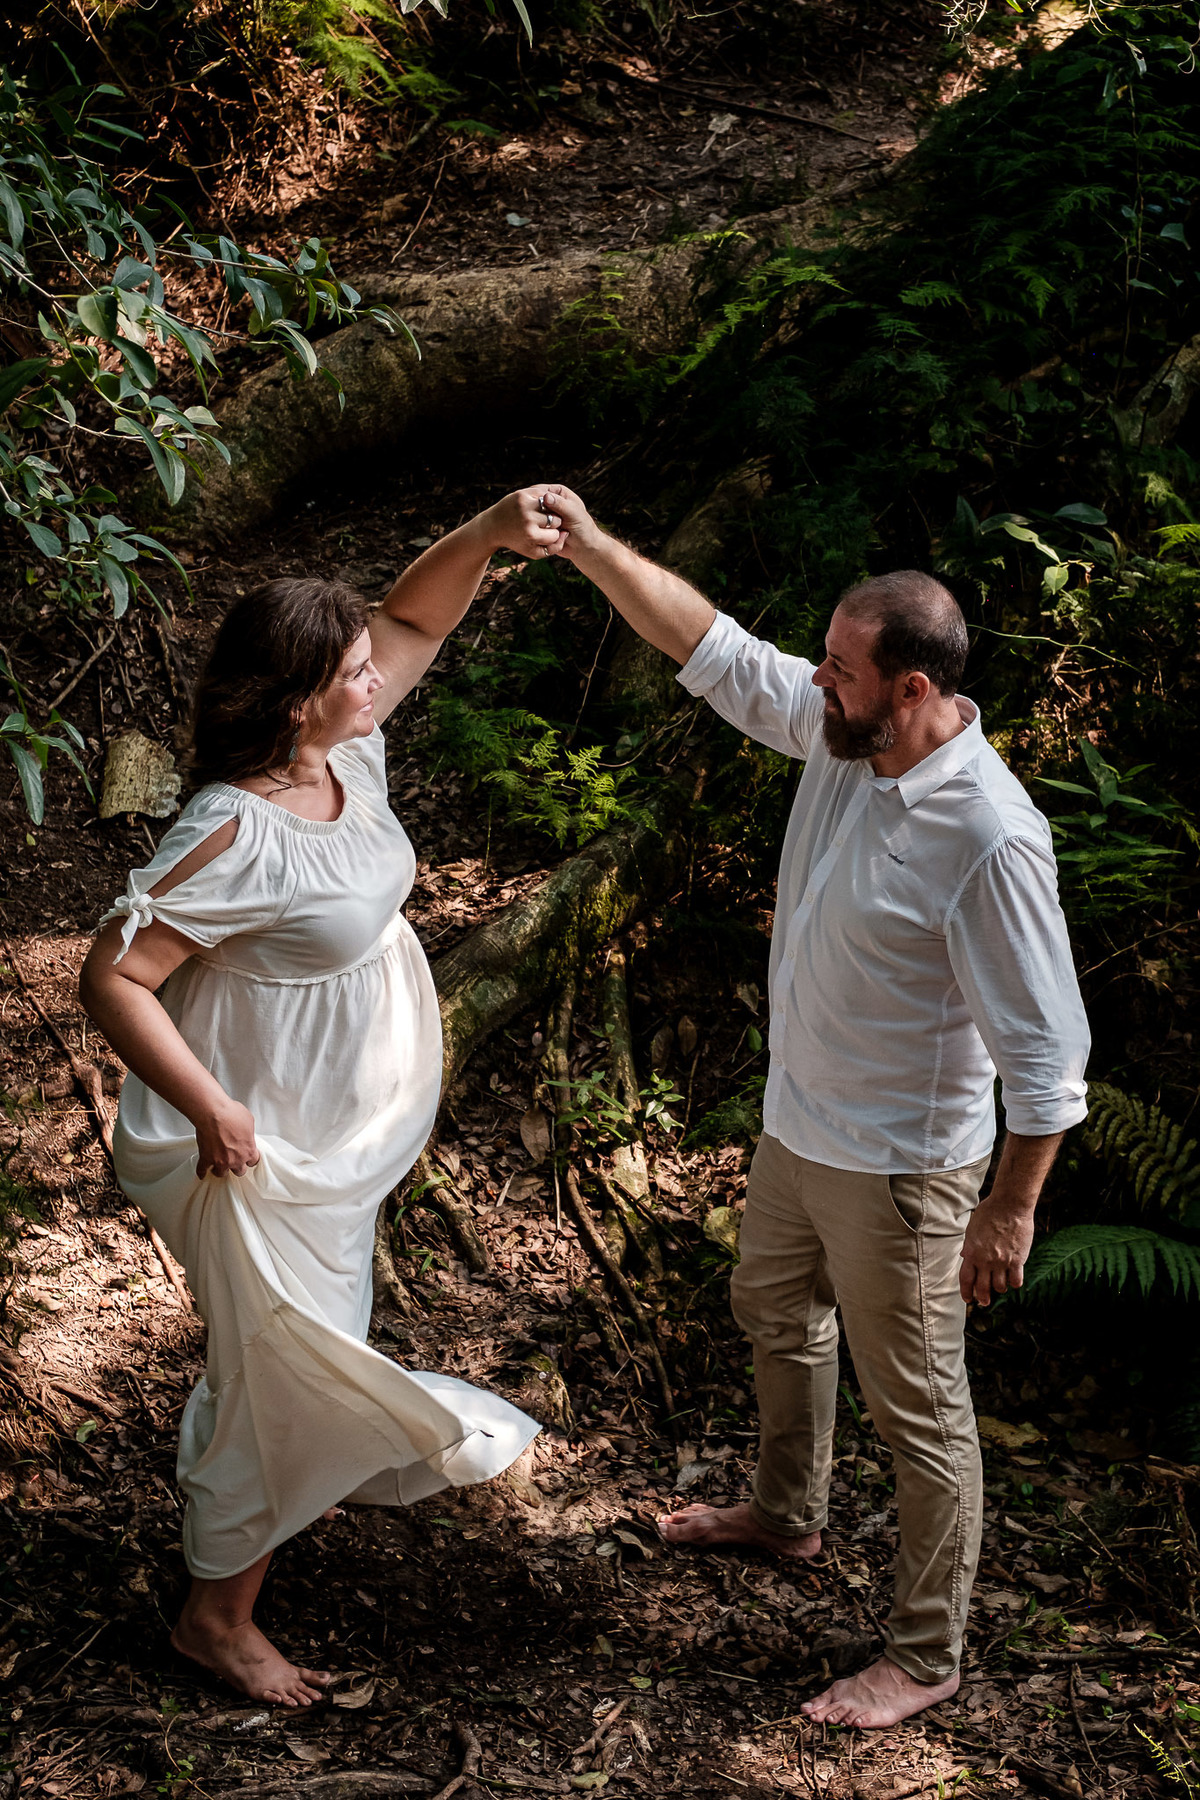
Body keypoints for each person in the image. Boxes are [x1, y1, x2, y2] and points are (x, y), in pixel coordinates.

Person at [539, 485, 1090, 1729]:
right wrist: (587, 544)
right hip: (798, 1130)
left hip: (904, 1170)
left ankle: (926, 1654)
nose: (817, 680)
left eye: (841, 669)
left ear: (912, 688)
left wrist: (1008, 1212)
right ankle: (787, 1516)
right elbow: (711, 647)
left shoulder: (991, 836)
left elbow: (1049, 1057)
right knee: (774, 1310)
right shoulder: (844, 741)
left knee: (924, 1412)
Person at [80, 487, 568, 1708]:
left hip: (341, 1132)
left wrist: (493, 528)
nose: (380, 675)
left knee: (298, 1344)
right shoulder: (232, 832)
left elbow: (416, 615)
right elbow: (114, 976)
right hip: (259, 1139)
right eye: (354, 669)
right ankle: (217, 1619)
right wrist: (212, 1110)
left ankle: (232, 1557)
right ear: (299, 698)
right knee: (279, 1361)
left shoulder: (346, 744)